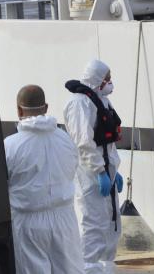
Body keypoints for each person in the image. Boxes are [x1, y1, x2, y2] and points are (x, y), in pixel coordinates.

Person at [6, 85, 84, 273]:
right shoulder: (65, 140)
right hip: (64, 218)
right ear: (46, 107)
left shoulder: (10, 146)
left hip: (28, 222)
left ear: (18, 110)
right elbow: (72, 170)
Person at [64, 60, 123, 274]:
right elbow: (84, 143)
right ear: (97, 80)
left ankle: (107, 268)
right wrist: (99, 171)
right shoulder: (80, 104)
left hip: (106, 170)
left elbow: (109, 143)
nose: (109, 83)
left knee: (111, 226)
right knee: (93, 225)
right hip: (90, 175)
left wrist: (115, 170)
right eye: (106, 79)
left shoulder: (102, 101)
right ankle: (88, 269)